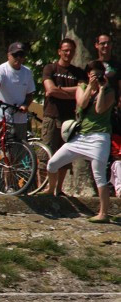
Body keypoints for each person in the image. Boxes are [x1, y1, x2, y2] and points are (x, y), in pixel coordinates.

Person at [45, 60, 116, 223]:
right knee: (53, 163)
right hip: (81, 137)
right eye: (92, 74)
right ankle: (50, 189)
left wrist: (102, 89)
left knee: (99, 176)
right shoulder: (82, 87)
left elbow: (99, 110)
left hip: (100, 137)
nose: (95, 77)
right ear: (87, 75)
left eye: (98, 74)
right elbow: (82, 104)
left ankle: (103, 213)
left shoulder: (110, 91)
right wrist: (90, 87)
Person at [41, 39, 87, 197]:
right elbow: (50, 90)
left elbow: (83, 91)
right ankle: (44, 188)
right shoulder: (50, 68)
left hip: (69, 120)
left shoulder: (78, 72)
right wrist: (72, 92)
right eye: (65, 50)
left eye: (71, 51)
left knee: (65, 156)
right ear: (59, 51)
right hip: (51, 117)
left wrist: (60, 90)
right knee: (46, 153)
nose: (68, 54)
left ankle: (58, 189)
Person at [0, 42, 36, 141]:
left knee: (20, 151)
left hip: (20, 118)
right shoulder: (0, 70)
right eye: (15, 55)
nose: (18, 58)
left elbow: (29, 94)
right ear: (9, 55)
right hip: (2, 117)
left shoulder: (27, 72)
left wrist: (25, 105)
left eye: (21, 55)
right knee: (4, 149)